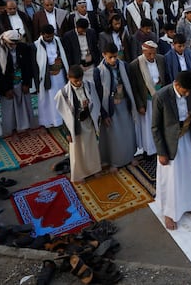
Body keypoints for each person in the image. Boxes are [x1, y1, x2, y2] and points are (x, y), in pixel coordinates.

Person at [152, 70, 191, 230]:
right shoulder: (161, 96)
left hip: (186, 138)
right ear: (177, 84)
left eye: (189, 91)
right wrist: (161, 152)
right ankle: (169, 212)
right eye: (184, 91)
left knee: (189, 174)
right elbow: (155, 127)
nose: (187, 94)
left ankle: (189, 205)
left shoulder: (190, 92)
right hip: (169, 144)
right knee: (171, 179)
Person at [55, 64, 103, 182]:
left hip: (87, 121)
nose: (78, 83)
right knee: (78, 151)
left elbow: (95, 103)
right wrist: (67, 132)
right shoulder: (64, 94)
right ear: (68, 78)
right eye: (75, 81)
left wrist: (88, 107)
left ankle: (94, 169)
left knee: (91, 147)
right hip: (74, 126)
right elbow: (64, 115)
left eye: (80, 80)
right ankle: (80, 174)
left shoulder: (88, 86)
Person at [97, 42, 138, 170]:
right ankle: (115, 161)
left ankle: (130, 156)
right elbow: (98, 94)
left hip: (124, 103)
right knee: (113, 135)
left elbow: (130, 85)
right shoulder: (98, 71)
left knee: (128, 132)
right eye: (110, 57)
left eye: (115, 56)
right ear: (104, 55)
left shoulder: (124, 66)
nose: (114, 60)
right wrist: (104, 114)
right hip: (110, 107)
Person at [128, 40, 168, 156]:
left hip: (160, 97)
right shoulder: (135, 64)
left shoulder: (160, 59)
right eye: (149, 54)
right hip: (147, 101)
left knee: (161, 123)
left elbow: (164, 76)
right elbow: (134, 88)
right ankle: (150, 150)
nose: (152, 56)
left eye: (154, 53)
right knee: (148, 125)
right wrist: (140, 105)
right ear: (143, 52)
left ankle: (161, 147)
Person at [0, 30, 36, 135]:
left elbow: (27, 66)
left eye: (15, 43)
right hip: (7, 83)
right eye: (11, 43)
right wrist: (6, 89)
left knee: (24, 105)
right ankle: (12, 130)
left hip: (21, 81)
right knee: (9, 108)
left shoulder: (23, 47)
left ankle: (25, 127)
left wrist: (26, 83)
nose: (14, 45)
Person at [34, 24, 68, 128]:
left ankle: (64, 119)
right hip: (47, 77)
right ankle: (51, 120)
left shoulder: (58, 41)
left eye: (51, 36)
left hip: (60, 75)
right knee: (50, 99)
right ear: (41, 34)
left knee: (62, 96)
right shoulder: (36, 45)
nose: (50, 39)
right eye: (47, 37)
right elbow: (36, 65)